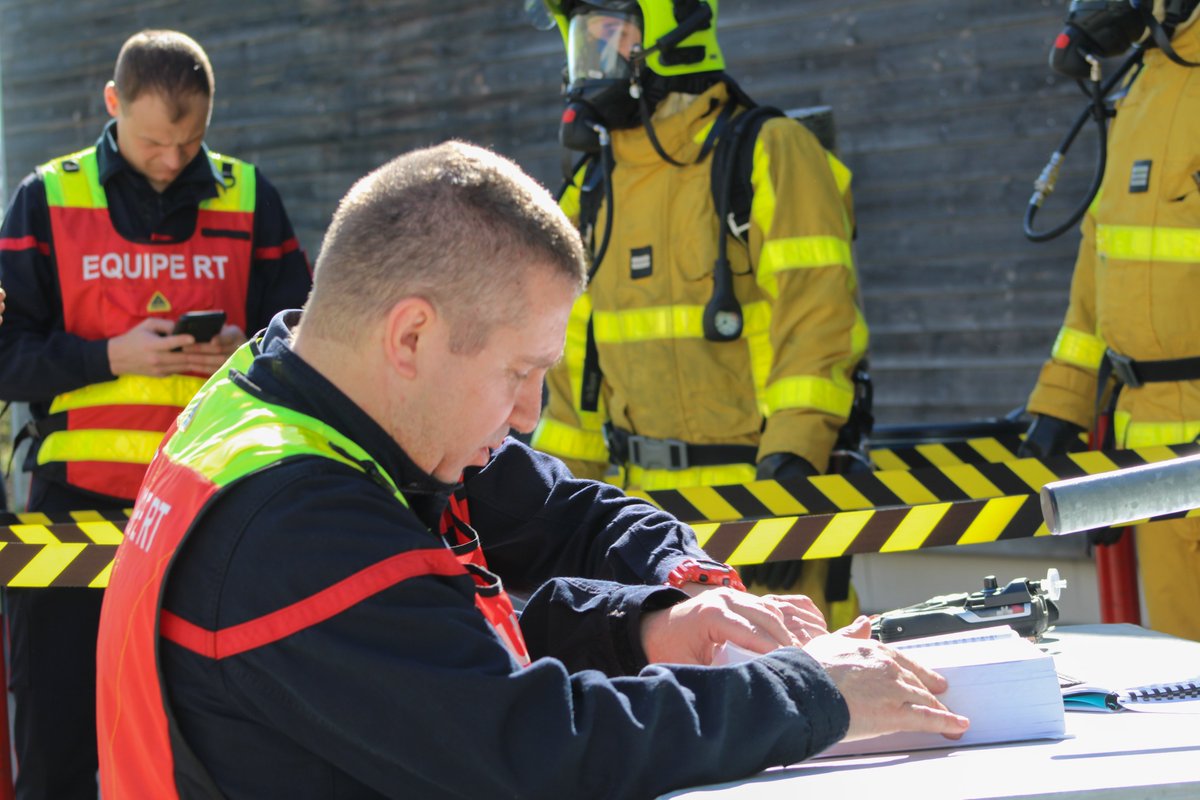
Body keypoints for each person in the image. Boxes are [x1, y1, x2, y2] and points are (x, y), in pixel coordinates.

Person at [95, 141, 967, 799]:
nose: (528, 415)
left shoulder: (301, 405)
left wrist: (656, 618)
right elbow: (530, 749)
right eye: (519, 372)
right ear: (411, 337)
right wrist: (805, 694)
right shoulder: (294, 523)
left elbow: (509, 574)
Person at [0, 29, 312, 798]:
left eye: (191, 140)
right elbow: (6, 358)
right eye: (152, 142)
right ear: (113, 103)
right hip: (72, 510)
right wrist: (110, 357)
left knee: (202, 749)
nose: (172, 160)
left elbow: (310, 342)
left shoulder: (250, 196)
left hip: (212, 511)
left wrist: (247, 348)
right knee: (55, 744)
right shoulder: (46, 199)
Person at [528, 0, 868, 624]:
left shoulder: (770, 151)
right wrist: (547, 513)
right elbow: (571, 382)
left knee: (803, 673)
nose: (591, 58)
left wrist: (789, 484)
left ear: (670, 31)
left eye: (611, 33)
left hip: (758, 501)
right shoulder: (590, 191)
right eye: (583, 38)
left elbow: (817, 323)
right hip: (637, 529)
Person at [1019, 0, 1200, 641]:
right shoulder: (1140, 90)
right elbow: (1099, 274)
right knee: (1186, 670)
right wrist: (1061, 404)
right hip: (1151, 453)